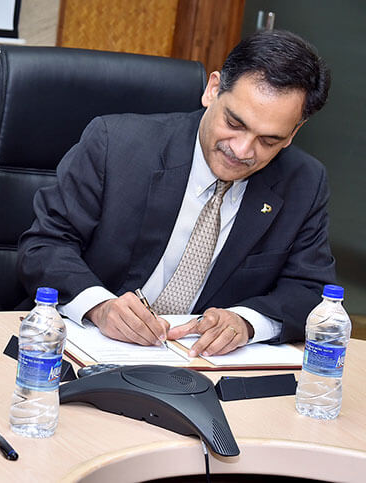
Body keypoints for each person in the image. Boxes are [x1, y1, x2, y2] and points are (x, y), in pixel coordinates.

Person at [17, 30, 334, 356]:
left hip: (199, 367)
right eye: (234, 124)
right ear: (213, 90)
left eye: (268, 140)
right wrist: (99, 306)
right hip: (82, 351)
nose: (241, 151)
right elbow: (44, 246)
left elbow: (311, 291)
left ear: (293, 132)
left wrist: (247, 322)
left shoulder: (304, 182)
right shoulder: (115, 144)